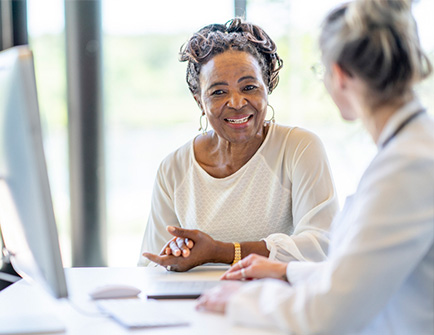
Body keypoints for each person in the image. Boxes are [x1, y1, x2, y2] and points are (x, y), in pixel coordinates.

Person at [196, 1, 434, 334]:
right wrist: (286, 271)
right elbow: (357, 274)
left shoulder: (407, 167)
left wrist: (240, 301)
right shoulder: (411, 150)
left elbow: (328, 314)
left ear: (339, 74)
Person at [139, 19, 338, 271]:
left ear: (268, 88)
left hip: (276, 305)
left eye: (249, 87)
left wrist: (221, 252)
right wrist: (173, 255)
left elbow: (321, 246)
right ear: (199, 101)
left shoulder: (299, 148)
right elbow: (151, 264)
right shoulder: (173, 168)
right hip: (198, 304)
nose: (236, 102)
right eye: (218, 92)